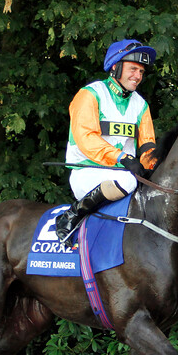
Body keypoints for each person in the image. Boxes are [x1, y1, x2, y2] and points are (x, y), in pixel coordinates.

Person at [55, 38, 158, 245]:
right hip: (88, 172)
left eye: (141, 72)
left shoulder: (141, 105)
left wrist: (153, 167)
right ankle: (71, 215)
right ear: (115, 67)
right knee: (129, 181)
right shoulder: (90, 94)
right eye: (133, 69)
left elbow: (147, 145)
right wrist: (122, 158)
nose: (138, 76)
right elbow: (86, 138)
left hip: (124, 174)